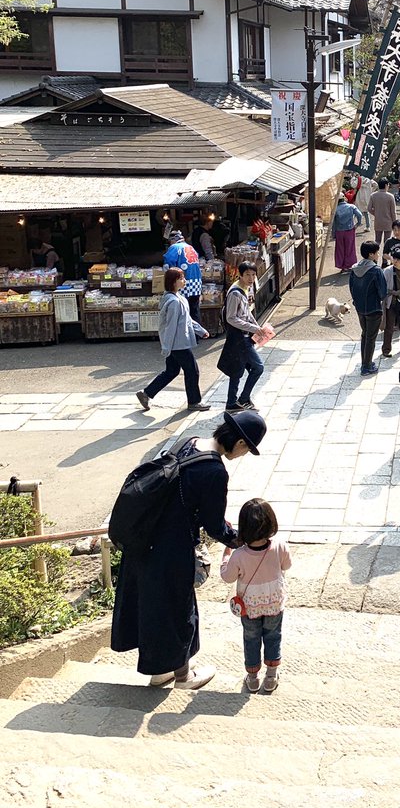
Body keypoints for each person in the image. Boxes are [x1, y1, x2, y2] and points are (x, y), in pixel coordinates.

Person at [111, 409, 267, 690]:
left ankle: (161, 671)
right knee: (178, 608)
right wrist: (238, 540)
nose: (242, 455)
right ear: (241, 443)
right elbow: (214, 525)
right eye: (247, 450)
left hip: (145, 537)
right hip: (171, 547)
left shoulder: (191, 442)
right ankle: (183, 677)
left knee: (155, 606)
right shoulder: (214, 471)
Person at [220, 497, 292, 693]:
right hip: (274, 603)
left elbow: (227, 577)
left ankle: (252, 678)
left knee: (251, 639)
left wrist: (226, 556)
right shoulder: (279, 545)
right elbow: (287, 565)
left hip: (249, 607)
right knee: (273, 636)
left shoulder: (239, 555)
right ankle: (270, 676)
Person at [136, 266, 210, 413]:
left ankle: (146, 394)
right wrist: (166, 347)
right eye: (181, 278)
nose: (185, 281)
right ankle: (194, 401)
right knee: (192, 371)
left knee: (172, 371)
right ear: (174, 282)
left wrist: (200, 330)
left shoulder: (178, 298)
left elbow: (187, 320)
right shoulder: (174, 302)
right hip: (178, 344)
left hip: (178, 342)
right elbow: (170, 327)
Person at [217, 262, 265, 414]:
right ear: (241, 275)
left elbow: (247, 312)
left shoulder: (244, 288)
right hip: (239, 337)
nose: (251, 278)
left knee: (237, 370)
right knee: (257, 367)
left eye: (253, 275)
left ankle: (232, 402)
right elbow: (231, 318)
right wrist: (254, 328)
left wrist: (258, 327)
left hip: (244, 336)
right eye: (247, 275)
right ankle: (242, 399)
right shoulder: (235, 293)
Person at [349, 241, 388, 375]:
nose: (378, 255)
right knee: (371, 337)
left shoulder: (354, 269)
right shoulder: (376, 271)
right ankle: (366, 366)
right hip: (374, 309)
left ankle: (365, 362)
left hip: (360, 308)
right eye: (377, 252)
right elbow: (383, 292)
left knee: (365, 335)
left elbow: (351, 288)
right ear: (371, 254)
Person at [164, 230, 203, 320]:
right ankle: (197, 333)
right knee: (194, 310)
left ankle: (185, 332)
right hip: (196, 283)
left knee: (183, 310)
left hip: (183, 282)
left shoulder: (175, 247)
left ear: (173, 240)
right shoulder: (190, 247)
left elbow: (168, 265)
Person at [333, 195, 363, 272]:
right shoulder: (351, 206)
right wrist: (357, 224)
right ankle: (349, 265)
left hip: (339, 231)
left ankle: (342, 266)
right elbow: (359, 215)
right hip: (349, 230)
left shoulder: (335, 209)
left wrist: (333, 234)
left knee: (340, 250)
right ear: (344, 199)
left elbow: (333, 223)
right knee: (350, 248)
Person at [367, 178, 397, 255]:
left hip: (378, 221)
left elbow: (369, 208)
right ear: (386, 185)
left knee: (377, 240)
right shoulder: (390, 196)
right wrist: (395, 223)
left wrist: (376, 213)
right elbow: (393, 212)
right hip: (388, 222)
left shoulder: (373, 195)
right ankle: (385, 260)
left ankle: (374, 256)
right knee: (387, 241)